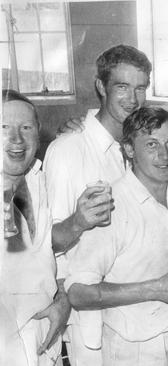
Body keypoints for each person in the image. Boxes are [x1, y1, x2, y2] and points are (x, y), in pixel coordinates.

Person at [63, 107, 168, 365]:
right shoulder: (112, 206)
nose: (164, 155)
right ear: (128, 149)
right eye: (151, 144)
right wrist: (156, 289)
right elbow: (78, 293)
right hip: (137, 348)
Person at [43, 44, 152, 365]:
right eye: (122, 86)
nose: (132, 99)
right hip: (90, 317)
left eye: (141, 88)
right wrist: (63, 299)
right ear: (101, 86)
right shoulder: (68, 150)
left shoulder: (141, 149)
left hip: (137, 310)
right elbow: (50, 242)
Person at [1, 89, 74, 365]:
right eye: (4, 127)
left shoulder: (37, 179)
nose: (16, 138)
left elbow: (49, 256)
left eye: (26, 127)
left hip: (42, 342)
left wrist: (62, 301)